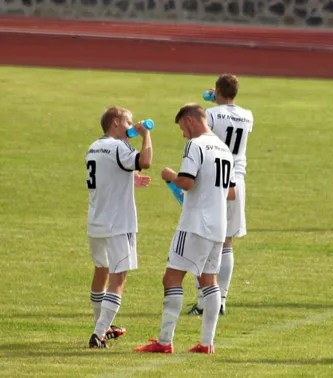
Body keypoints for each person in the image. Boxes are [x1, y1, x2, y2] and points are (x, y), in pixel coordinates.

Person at [133, 103, 236, 355]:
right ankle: (206, 343)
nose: (183, 134)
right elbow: (231, 192)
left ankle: (165, 341)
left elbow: (187, 182)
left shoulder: (195, 145)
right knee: (209, 281)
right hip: (218, 225)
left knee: (171, 278)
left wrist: (170, 176)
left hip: (194, 223)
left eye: (182, 128)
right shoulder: (224, 148)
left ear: (190, 121)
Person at [86, 106, 153, 348]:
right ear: (116, 122)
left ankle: (101, 324)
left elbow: (108, 174)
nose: (131, 126)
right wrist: (146, 135)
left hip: (96, 223)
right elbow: (145, 161)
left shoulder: (94, 146)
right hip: (118, 224)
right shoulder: (119, 147)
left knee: (100, 272)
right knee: (118, 278)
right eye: (128, 121)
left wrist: (130, 178)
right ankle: (99, 333)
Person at [188, 73, 253, 316]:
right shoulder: (248, 115)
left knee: (202, 238)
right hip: (237, 178)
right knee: (227, 242)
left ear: (216, 90)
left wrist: (210, 102)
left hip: (212, 179)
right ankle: (221, 300)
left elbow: (201, 135)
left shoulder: (211, 114)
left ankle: (203, 302)